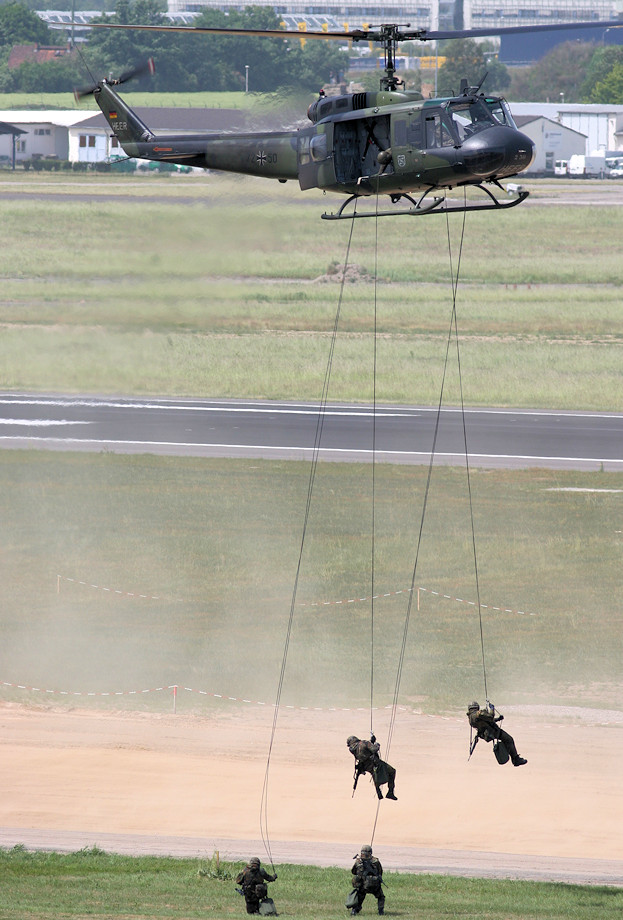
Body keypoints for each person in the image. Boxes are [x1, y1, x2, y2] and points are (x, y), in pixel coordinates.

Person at [467, 701, 527, 766]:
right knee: (509, 739)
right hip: (493, 732)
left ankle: (514, 757)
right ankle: (515, 759)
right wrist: (492, 708)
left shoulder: (471, 718)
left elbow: (486, 721)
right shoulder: (478, 714)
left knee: (506, 741)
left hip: (485, 734)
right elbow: (490, 716)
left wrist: (498, 719)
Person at [347, 735, 397, 800]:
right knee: (392, 771)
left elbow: (364, 751)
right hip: (374, 763)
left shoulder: (352, 749)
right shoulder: (364, 743)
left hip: (365, 766)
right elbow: (374, 749)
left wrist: (371, 742)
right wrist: (376, 744)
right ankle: (390, 792)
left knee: (374, 774)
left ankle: (379, 793)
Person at [347, 844, 385, 915]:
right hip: (375, 886)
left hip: (363, 886)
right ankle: (381, 911)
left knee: (359, 897)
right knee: (381, 897)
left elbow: (353, 872)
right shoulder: (376, 861)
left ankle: (354, 910)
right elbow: (380, 872)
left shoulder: (358, 862)